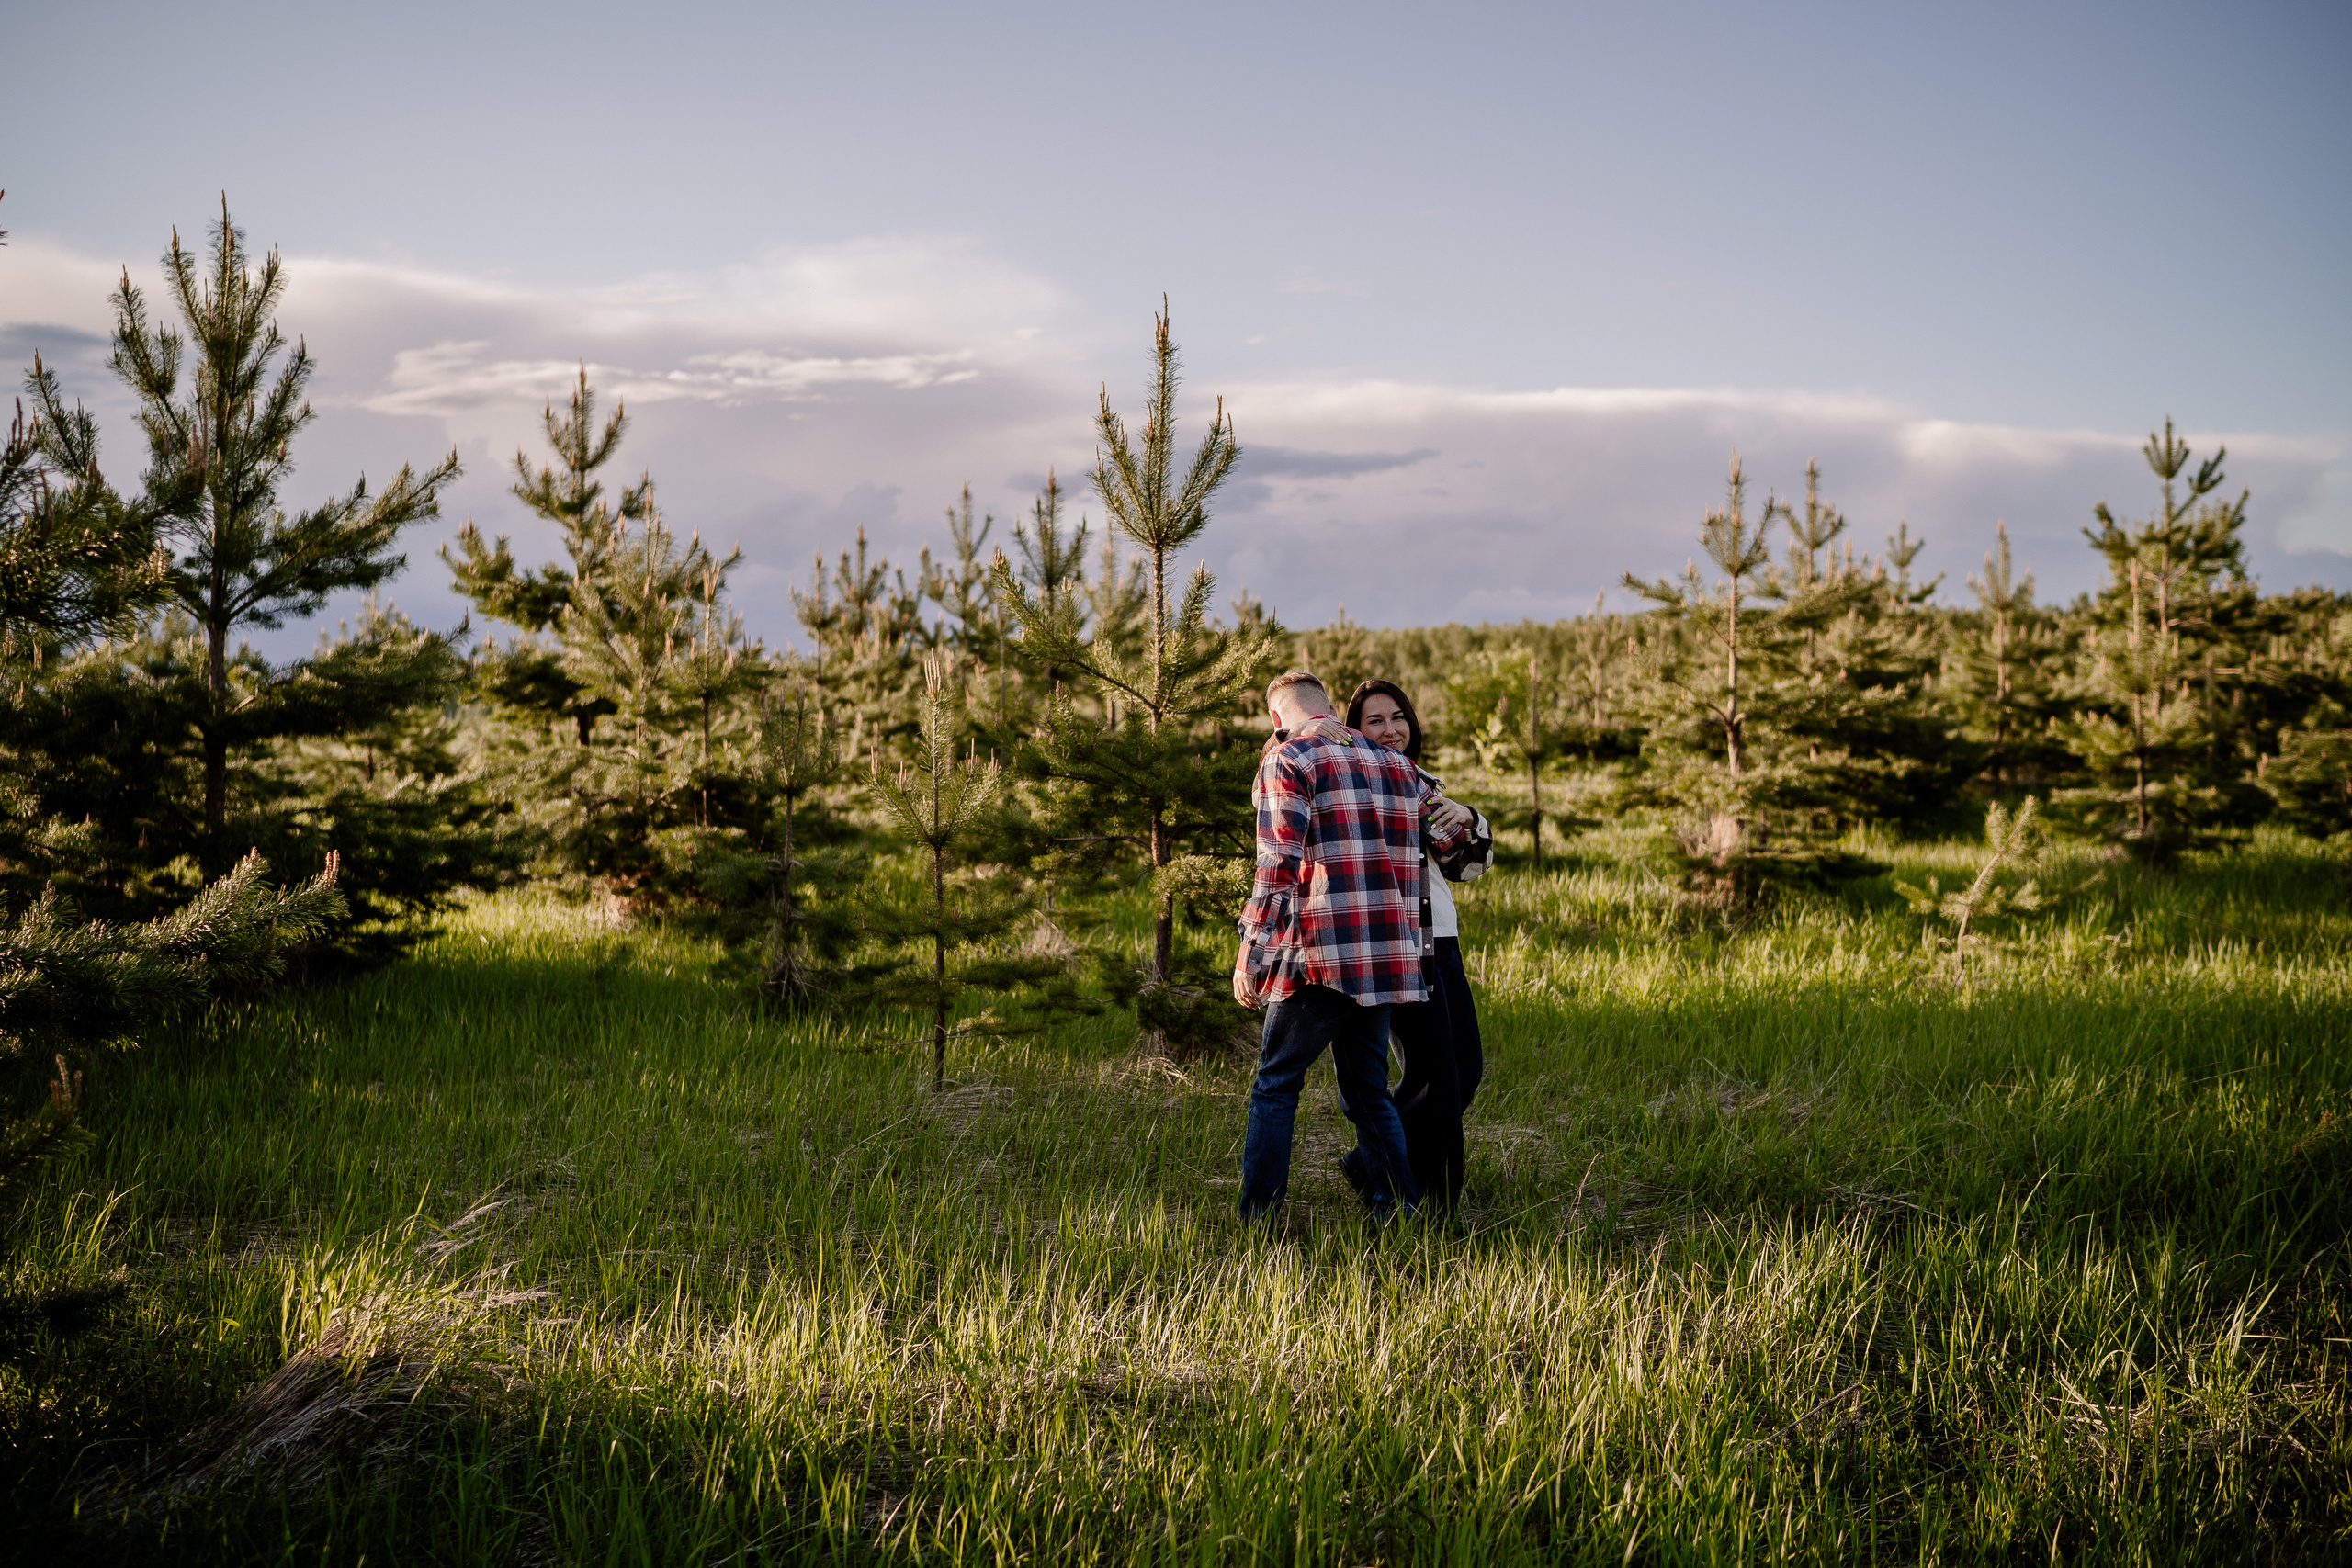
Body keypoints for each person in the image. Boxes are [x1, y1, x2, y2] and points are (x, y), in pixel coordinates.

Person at [1230, 670, 1470, 1225]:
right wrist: (1469, 817)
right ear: (1332, 708)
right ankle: (1399, 1212)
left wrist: (1253, 952)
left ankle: (1257, 1218)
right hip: (1387, 955)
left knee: (1275, 1084)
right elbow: (1453, 837)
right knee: (1368, 1090)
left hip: (1323, 956)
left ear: (1276, 717)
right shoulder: (1394, 762)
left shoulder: (1288, 759)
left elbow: (1278, 863)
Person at [1339, 679, 1494, 1214]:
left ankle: (1367, 1161)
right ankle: (1435, 1205)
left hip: (1441, 939)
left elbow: (1468, 865)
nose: (1390, 729)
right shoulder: (1353, 778)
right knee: (1435, 1077)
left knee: (1465, 1070)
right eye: (1374, 721)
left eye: (1398, 717)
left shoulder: (1419, 782)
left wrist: (1469, 815)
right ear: (1353, 731)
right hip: (1395, 945)